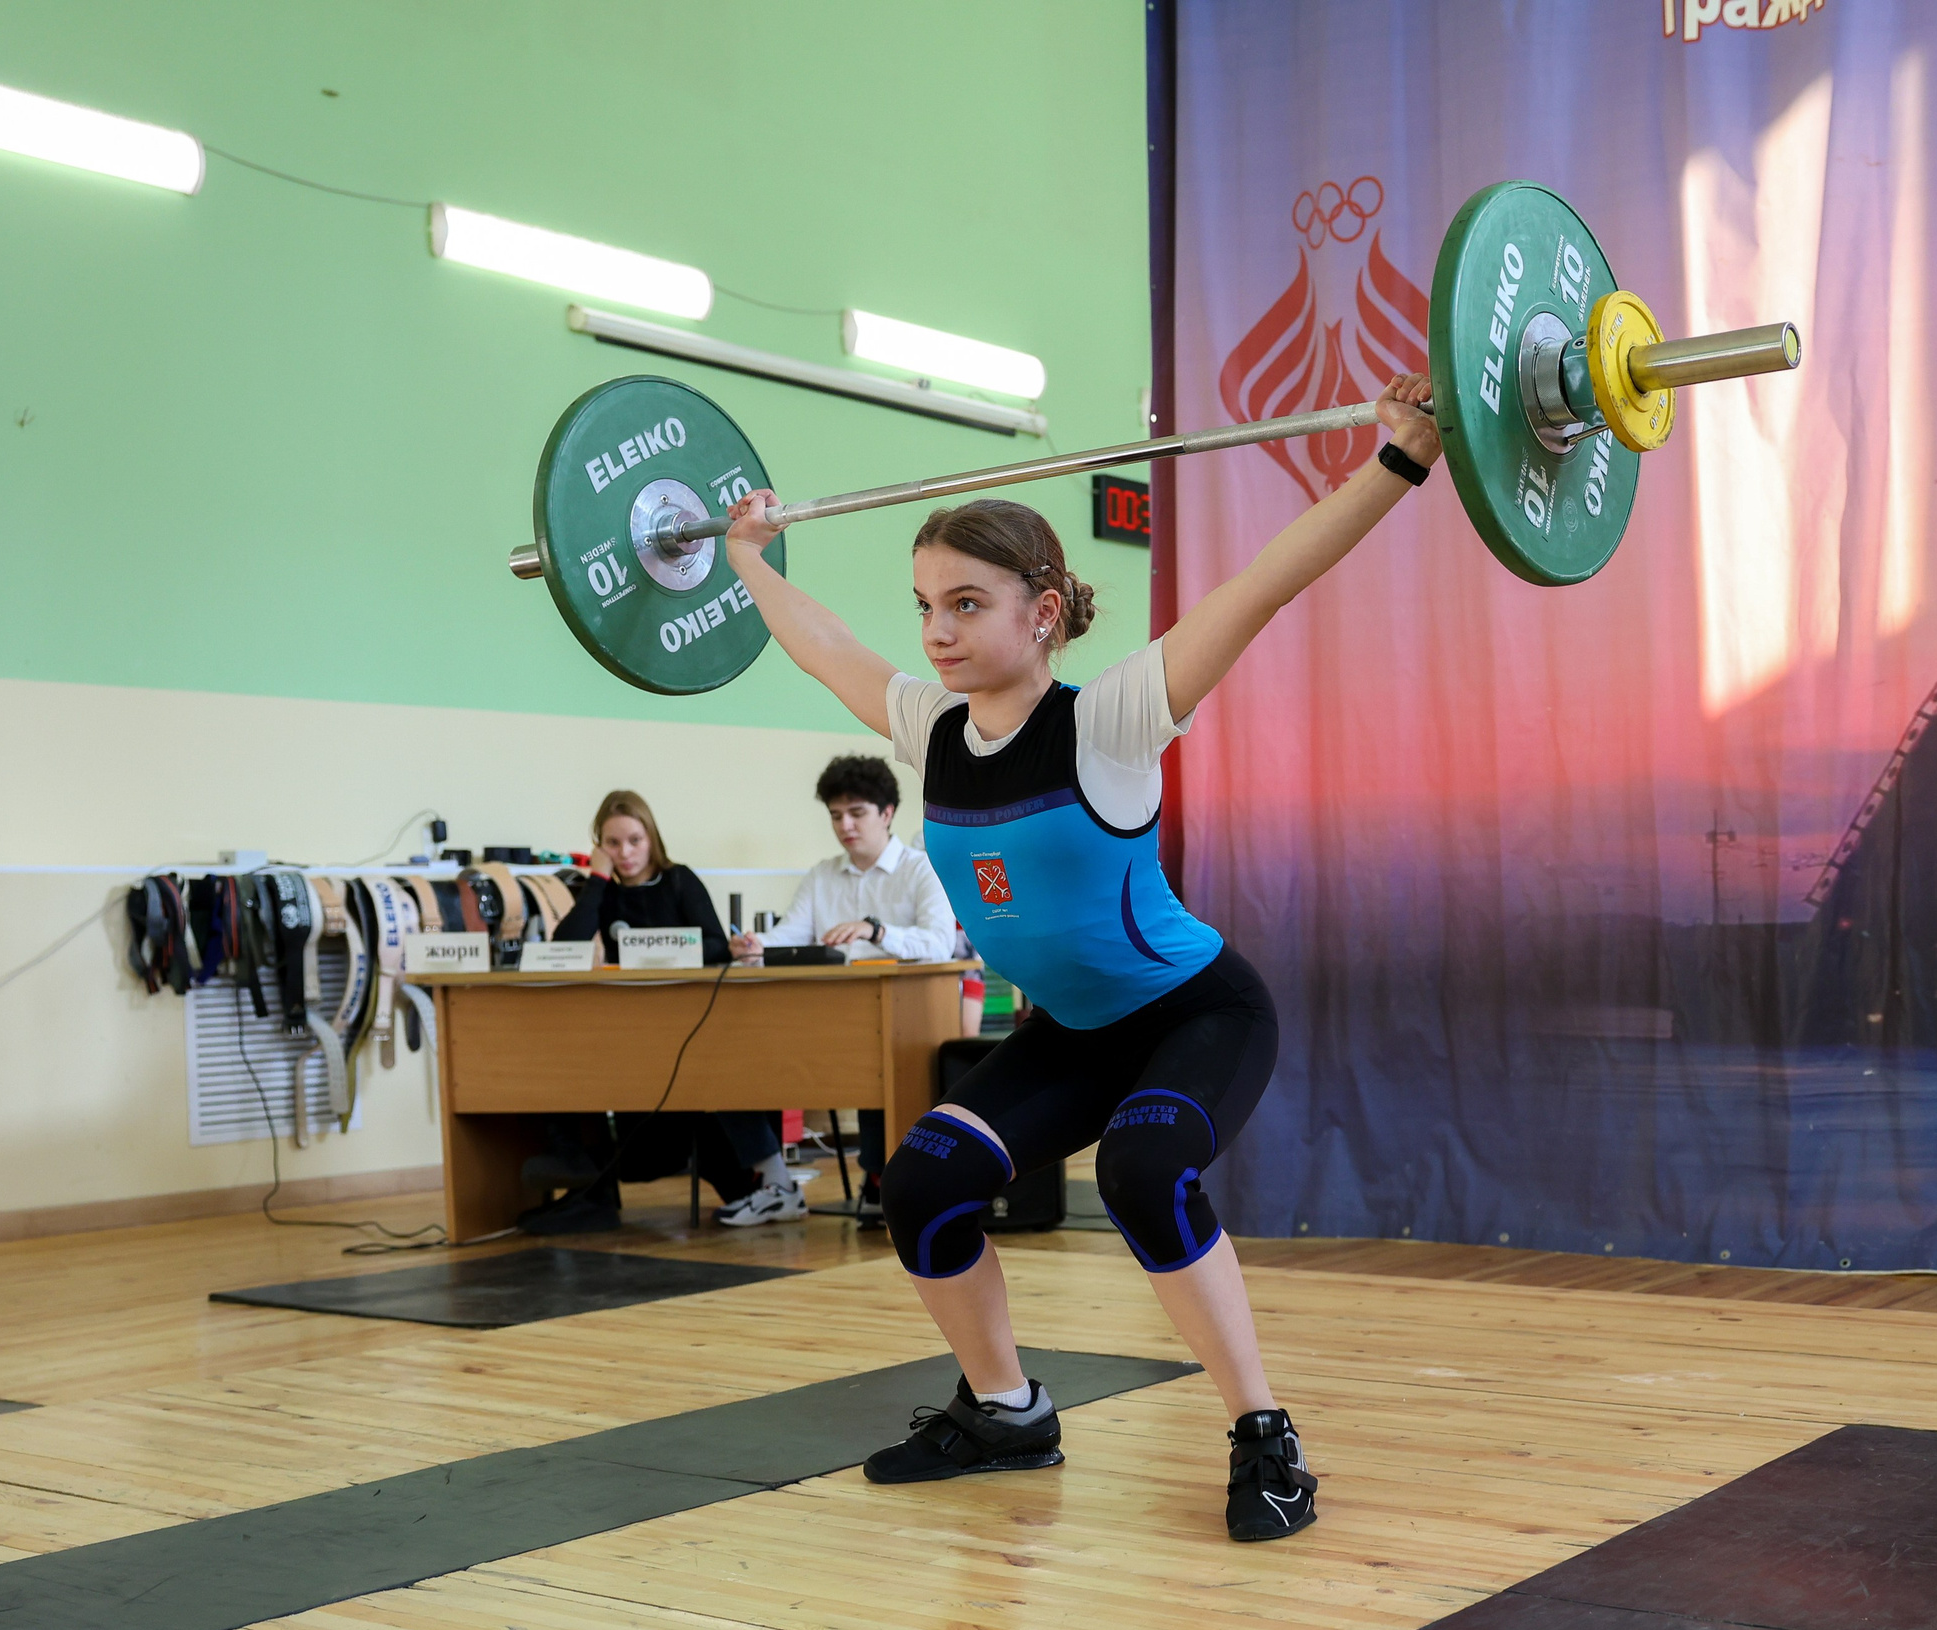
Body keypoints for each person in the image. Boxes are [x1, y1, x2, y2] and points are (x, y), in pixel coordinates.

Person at [721, 373, 1443, 1542]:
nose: (938, 633)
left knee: (1143, 1172)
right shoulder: (927, 728)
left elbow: (1266, 585)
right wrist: (751, 556)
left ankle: (1265, 1437)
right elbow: (824, 648)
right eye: (925, 608)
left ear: (1043, 612)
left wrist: (1399, 459)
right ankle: (1007, 1411)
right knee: (922, 1185)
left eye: (966, 604)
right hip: (1074, 1031)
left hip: (1195, 1012)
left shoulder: (1109, 719)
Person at [517, 789, 807, 1235]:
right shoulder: (604, 893)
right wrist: (596, 879)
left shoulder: (679, 880)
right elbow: (568, 947)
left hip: (691, 1023)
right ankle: (583, 1177)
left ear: (651, 838)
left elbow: (714, 944)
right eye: (613, 844)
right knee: (571, 1064)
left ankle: (756, 1179)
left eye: (634, 840)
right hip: (629, 1031)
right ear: (600, 846)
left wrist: (670, 949)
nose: (625, 853)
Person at [729, 755, 959, 1230]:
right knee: (737, 1061)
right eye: (836, 815)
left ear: (887, 813)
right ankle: (775, 1182)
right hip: (823, 1018)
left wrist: (876, 932)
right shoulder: (822, 875)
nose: (845, 826)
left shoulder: (921, 870)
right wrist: (756, 945)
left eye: (856, 813)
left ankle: (880, 1180)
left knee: (879, 1060)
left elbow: (940, 943)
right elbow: (790, 934)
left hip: (899, 1022)